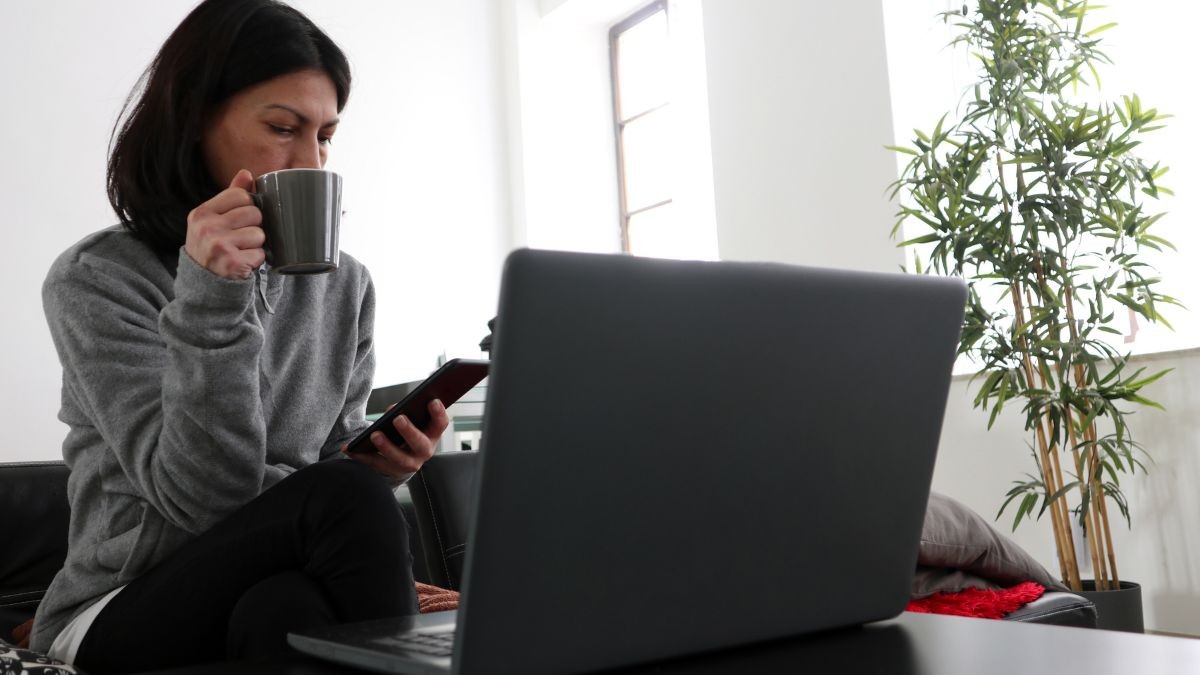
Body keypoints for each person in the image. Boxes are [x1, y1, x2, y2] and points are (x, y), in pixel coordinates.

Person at [31, 0, 446, 671]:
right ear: (194, 120)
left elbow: (325, 476)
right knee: (345, 502)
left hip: (268, 580)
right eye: (285, 128)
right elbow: (204, 501)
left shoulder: (346, 285)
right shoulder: (96, 279)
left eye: (327, 135)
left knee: (285, 609)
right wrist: (212, 292)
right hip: (117, 607)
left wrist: (373, 464)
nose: (311, 161)